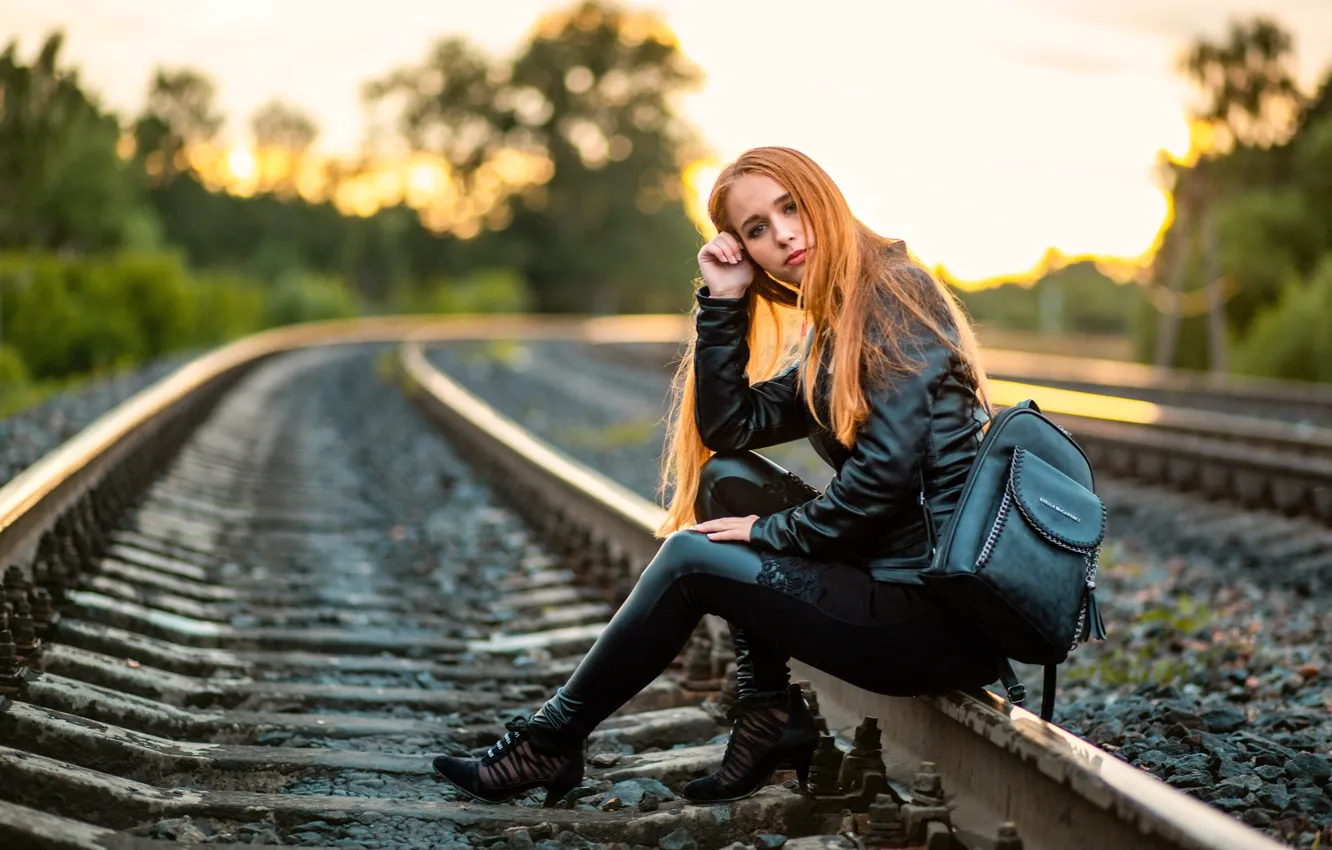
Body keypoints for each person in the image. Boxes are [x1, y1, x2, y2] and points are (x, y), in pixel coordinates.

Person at [433, 146, 1000, 808]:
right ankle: (767, 715)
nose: (782, 233)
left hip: (934, 617)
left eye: (790, 207)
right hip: (895, 582)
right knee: (727, 478)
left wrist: (774, 528)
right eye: (756, 228)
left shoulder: (894, 293)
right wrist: (725, 301)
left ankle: (551, 740)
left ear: (824, 198)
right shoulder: (838, 320)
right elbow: (730, 427)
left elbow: (887, 477)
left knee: (691, 559)